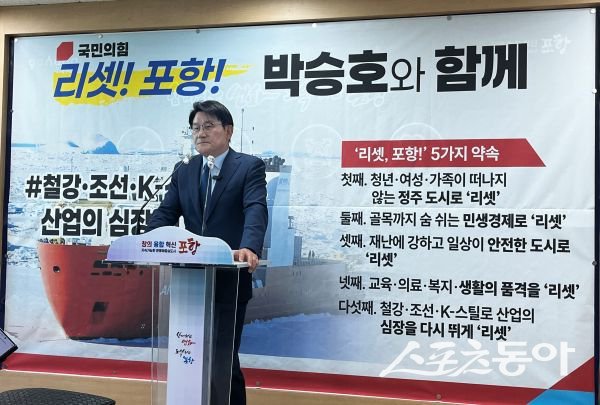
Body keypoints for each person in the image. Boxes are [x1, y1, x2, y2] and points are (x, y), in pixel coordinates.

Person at [146, 100, 268, 405]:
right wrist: (150, 238)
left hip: (228, 280)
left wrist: (249, 247)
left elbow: (255, 209)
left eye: (208, 126)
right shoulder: (184, 171)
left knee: (221, 362)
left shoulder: (248, 167)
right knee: (187, 356)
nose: (200, 133)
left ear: (228, 131)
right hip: (188, 283)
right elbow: (166, 212)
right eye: (196, 127)